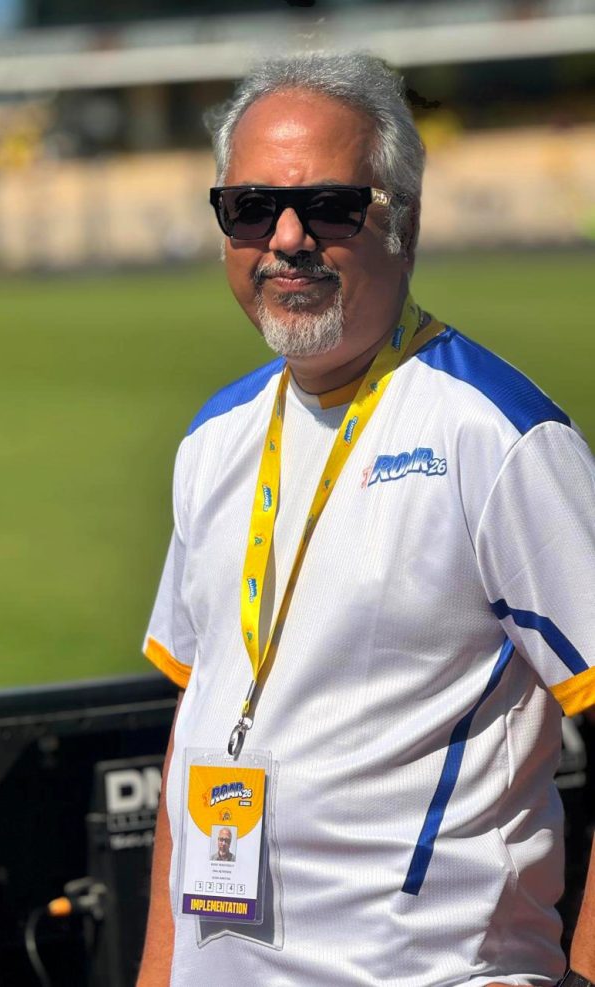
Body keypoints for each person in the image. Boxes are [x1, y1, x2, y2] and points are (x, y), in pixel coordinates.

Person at [137, 51, 595, 987]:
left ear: (405, 222)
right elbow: (197, 729)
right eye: (251, 208)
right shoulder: (212, 440)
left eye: (331, 206)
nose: (287, 238)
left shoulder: (497, 437)